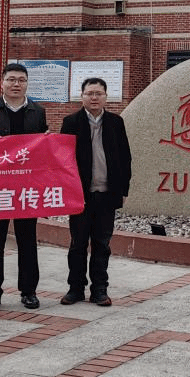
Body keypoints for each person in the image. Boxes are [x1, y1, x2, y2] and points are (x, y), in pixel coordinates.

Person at [0, 63, 49, 312]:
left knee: (27, 239)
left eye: (21, 80)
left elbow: (41, 150)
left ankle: (28, 291)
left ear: (27, 84)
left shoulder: (38, 112)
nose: (16, 84)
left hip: (26, 187)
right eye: (11, 79)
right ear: (2, 83)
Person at [59, 77, 131, 306]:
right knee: (78, 244)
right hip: (80, 195)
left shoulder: (116, 122)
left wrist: (123, 189)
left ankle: (99, 290)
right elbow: (63, 160)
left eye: (98, 93)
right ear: (82, 96)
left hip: (107, 194)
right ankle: (75, 288)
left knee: (102, 245)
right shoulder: (71, 122)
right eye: (89, 93)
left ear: (105, 97)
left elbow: (125, 157)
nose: (94, 97)